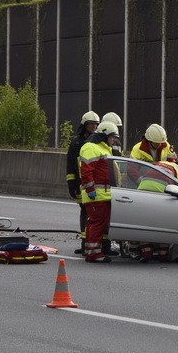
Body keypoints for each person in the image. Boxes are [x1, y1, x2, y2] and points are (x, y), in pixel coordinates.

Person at [79, 121, 120, 262]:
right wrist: (90, 189)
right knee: (97, 223)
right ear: (104, 135)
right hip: (97, 195)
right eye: (112, 136)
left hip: (103, 195)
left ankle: (93, 251)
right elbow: (86, 171)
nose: (113, 139)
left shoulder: (102, 148)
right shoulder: (92, 148)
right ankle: (94, 254)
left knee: (96, 222)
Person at [66, 111, 99, 254]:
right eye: (91, 124)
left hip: (94, 182)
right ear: (84, 125)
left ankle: (95, 242)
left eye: (96, 124)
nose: (93, 126)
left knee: (96, 213)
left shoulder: (97, 141)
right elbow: (71, 165)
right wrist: (71, 184)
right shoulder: (77, 142)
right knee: (84, 211)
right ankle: (84, 242)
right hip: (81, 183)